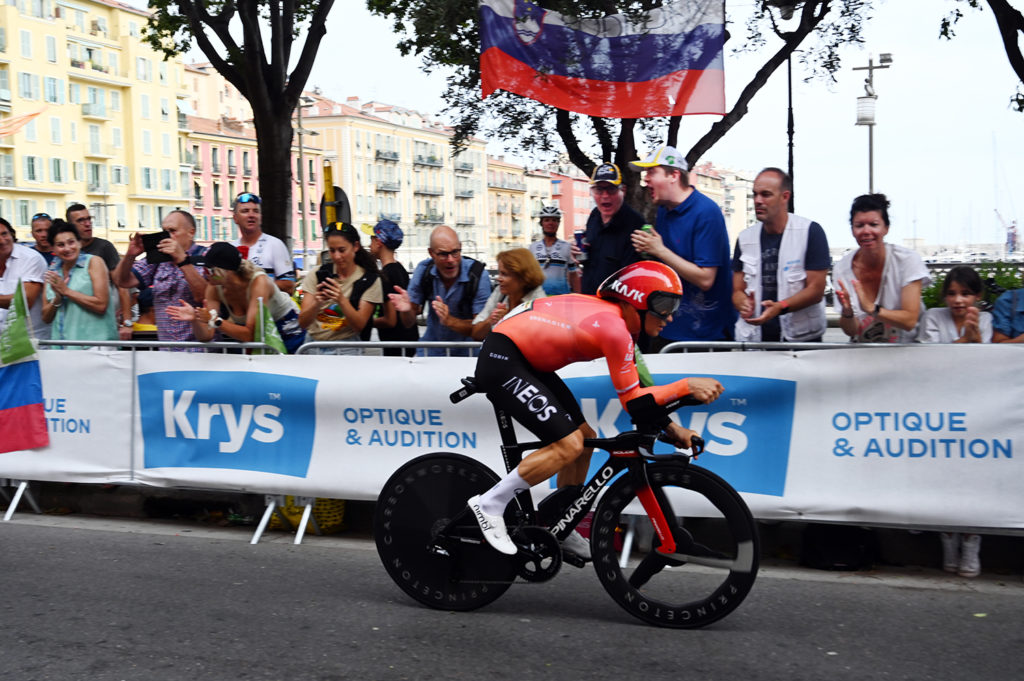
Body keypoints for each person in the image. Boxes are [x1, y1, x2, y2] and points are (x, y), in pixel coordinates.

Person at [468, 261, 725, 556]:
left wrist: (675, 429)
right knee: (569, 444)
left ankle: (556, 525)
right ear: (637, 300)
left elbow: (638, 396)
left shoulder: (621, 327)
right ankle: (490, 504)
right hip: (504, 359)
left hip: (526, 361)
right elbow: (635, 404)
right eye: (664, 305)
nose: (669, 316)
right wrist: (686, 386)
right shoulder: (613, 327)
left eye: (675, 306)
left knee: (584, 439)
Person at [630, 145, 736, 349]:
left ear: (674, 175)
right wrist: (649, 252)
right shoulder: (664, 210)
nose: (646, 179)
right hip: (669, 327)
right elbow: (671, 264)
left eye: (651, 172)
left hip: (705, 336)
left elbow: (706, 279)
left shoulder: (706, 212)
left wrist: (659, 250)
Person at [731, 168, 830, 342]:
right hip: (756, 340)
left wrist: (781, 307)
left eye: (766, 195)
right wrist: (742, 303)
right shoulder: (745, 238)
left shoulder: (810, 232)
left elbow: (816, 290)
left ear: (785, 197)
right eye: (755, 194)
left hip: (801, 341)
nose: (758, 201)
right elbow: (737, 290)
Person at [166, 242, 305, 353]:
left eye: (208, 269)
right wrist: (195, 320)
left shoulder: (259, 282)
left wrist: (215, 320)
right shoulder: (214, 287)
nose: (204, 273)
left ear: (225, 271)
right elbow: (207, 335)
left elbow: (249, 335)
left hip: (286, 326)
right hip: (258, 332)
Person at [833, 194, 930, 343]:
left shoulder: (907, 260)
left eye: (873, 224)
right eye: (859, 225)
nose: (866, 231)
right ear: (852, 230)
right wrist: (847, 314)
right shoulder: (841, 269)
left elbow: (910, 321)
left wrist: (872, 308)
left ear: (886, 228)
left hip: (907, 351)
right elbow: (851, 330)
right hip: (865, 354)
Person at [111, 210, 209, 349]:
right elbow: (122, 281)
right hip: (166, 351)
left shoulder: (205, 255)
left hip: (200, 350)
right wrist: (130, 255)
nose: (167, 236)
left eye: (173, 231)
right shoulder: (158, 259)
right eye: (164, 231)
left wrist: (182, 260)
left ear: (191, 232)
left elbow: (203, 296)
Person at [390, 225, 491, 357]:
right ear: (431, 253)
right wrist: (407, 310)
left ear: (460, 247)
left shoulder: (477, 275)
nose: (451, 260)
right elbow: (408, 323)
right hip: (431, 352)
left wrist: (449, 321)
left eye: (455, 252)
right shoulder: (423, 270)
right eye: (443, 254)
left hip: (468, 354)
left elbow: (480, 330)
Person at [298, 224, 383, 354]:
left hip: (346, 346)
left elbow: (359, 325)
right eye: (332, 250)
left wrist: (341, 300)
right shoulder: (317, 274)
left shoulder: (369, 280)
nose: (337, 256)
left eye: (342, 250)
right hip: (312, 345)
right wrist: (317, 303)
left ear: (355, 246)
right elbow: (303, 322)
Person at [41, 219, 118, 345]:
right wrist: (57, 299)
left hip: (95, 347)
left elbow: (101, 305)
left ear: (79, 243)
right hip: (63, 348)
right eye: (60, 245)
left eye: (71, 242)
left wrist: (66, 291)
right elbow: (45, 318)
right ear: (53, 248)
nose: (67, 248)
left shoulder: (93, 262)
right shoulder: (52, 271)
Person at [574, 163, 644, 294]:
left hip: (615, 307)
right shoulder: (594, 216)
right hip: (588, 300)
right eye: (599, 190)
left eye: (611, 189)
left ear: (623, 190)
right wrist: (578, 253)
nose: (605, 196)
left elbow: (633, 281)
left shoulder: (636, 226)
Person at [362, 219, 419, 357]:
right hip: (409, 339)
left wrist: (365, 321)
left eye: (371, 239)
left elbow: (390, 320)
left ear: (379, 242)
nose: (370, 245)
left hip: (395, 345)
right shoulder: (401, 269)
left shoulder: (385, 276)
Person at [470, 248, 547, 341]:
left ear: (523, 277)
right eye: (499, 273)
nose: (499, 278)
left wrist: (507, 319)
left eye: (504, 274)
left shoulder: (538, 301)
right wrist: (490, 320)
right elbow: (475, 333)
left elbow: (536, 339)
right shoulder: (500, 292)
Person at [229, 192, 296, 294]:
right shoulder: (231, 249)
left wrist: (254, 285)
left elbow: (289, 285)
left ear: (261, 217)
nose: (251, 215)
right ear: (235, 218)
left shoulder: (275, 244)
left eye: (256, 211)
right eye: (245, 211)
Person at [0, 217, 48, 339]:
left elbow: (24, 301)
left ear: (12, 234)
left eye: (4, 234)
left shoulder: (31, 258)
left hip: (31, 344)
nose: (1, 240)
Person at [918, 266, 992, 343]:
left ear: (978, 296)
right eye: (951, 294)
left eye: (965, 294)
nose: (957, 300)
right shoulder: (933, 316)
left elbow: (984, 352)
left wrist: (976, 338)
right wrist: (966, 338)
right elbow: (930, 353)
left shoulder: (984, 319)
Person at [529, 205, 579, 295]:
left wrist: (578, 296)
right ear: (541, 223)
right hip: (538, 298)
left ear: (558, 223)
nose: (550, 223)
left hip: (561, 298)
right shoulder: (533, 247)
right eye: (547, 220)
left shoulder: (567, 247)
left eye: (554, 220)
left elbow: (573, 274)